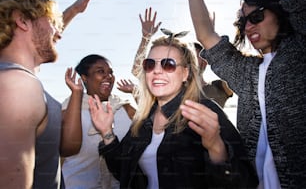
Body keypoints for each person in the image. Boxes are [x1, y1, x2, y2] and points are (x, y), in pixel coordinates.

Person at [88, 33, 258, 188]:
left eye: (168, 64)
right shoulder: (143, 121)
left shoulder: (204, 110)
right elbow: (123, 172)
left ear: (185, 73)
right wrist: (106, 133)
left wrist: (217, 149)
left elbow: (245, 182)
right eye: (149, 64)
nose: (156, 71)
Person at [188, 0, 306, 188]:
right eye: (243, 22)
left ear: (282, 10)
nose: (248, 27)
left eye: (257, 17)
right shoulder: (246, 72)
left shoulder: (300, 53)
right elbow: (205, 35)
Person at [0, 0, 84, 188]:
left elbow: (63, 148)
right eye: (52, 22)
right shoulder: (17, 86)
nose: (58, 32)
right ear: (22, 20)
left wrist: (75, 10)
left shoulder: (19, 79)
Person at [62, 54, 135, 189]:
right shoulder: (70, 106)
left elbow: (153, 131)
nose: (108, 76)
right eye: (100, 71)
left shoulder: (124, 107)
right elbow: (67, 149)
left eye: (110, 72)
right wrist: (76, 93)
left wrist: (137, 93)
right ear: (84, 77)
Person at [194, 42, 233, 108]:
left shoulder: (220, 87)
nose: (190, 60)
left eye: (194, 56)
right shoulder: (177, 91)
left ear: (205, 62)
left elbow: (236, 74)